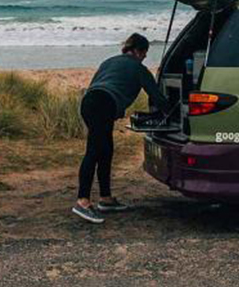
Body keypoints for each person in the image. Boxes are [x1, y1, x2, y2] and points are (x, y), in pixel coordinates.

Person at [72, 33, 171, 224]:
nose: (144, 57)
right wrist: (174, 114)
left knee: (105, 150)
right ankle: (82, 202)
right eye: (144, 53)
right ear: (137, 51)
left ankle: (105, 199)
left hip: (90, 102)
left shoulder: (109, 61)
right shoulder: (138, 68)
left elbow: (96, 84)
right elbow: (156, 96)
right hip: (104, 104)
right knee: (93, 151)